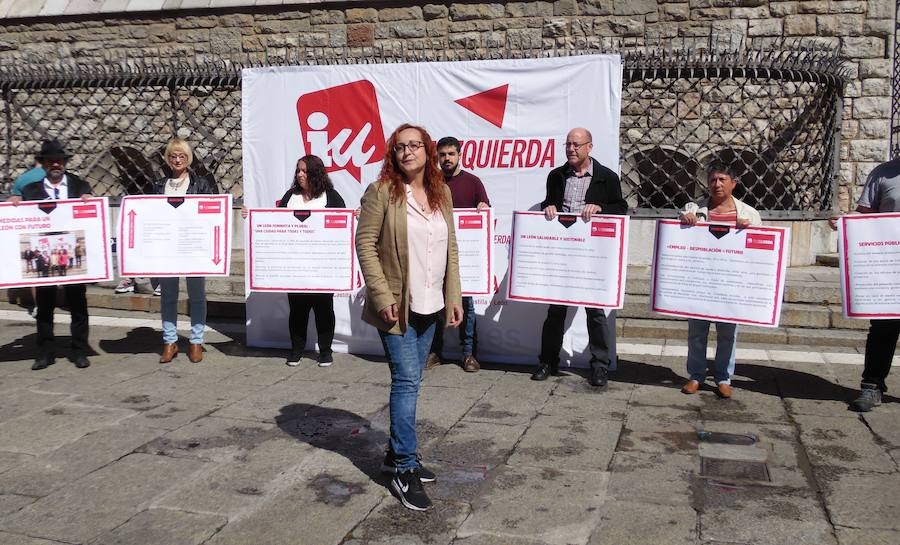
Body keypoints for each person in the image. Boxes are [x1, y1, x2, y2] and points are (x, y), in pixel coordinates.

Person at [356, 123, 463, 511]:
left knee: (414, 380)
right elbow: (365, 245)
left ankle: (393, 454)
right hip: (397, 306)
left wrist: (454, 296)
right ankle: (403, 467)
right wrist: (382, 295)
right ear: (393, 154)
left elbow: (450, 246)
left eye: (415, 145)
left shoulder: (442, 192)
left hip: (431, 304)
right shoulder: (381, 192)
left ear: (428, 151)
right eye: (400, 147)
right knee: (405, 382)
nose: (407, 152)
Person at [532, 127, 628, 388]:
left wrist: (601, 208)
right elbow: (548, 204)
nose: (571, 149)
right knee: (555, 311)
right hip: (562, 255)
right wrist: (547, 207)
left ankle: (599, 366)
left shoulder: (607, 177)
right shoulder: (556, 175)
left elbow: (621, 208)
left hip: (591, 258)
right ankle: (548, 362)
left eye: (576, 145)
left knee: (595, 313)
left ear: (589, 147)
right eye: (567, 145)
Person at [678, 165, 761, 399]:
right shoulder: (695, 208)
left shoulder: (749, 213)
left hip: (730, 284)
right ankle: (695, 375)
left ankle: (724, 378)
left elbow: (760, 251)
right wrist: (685, 220)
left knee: (727, 334)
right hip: (701, 281)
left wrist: (750, 231)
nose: (717, 184)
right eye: (713, 179)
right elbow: (679, 233)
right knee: (696, 332)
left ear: (734, 183)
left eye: (722, 179)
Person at [14, 139, 93, 371]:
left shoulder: (80, 186)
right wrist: (14, 204)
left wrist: (90, 200)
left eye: (59, 160)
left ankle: (79, 350)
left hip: (72, 251)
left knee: (78, 303)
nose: (56, 164)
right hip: (43, 254)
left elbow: (92, 213)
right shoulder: (30, 191)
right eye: (51, 161)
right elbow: (20, 221)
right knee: (45, 304)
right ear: (44, 163)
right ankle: (45, 352)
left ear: (65, 163)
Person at [830, 158, 900, 411]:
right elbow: (864, 215)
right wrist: (845, 221)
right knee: (883, 328)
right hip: (889, 269)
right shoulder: (884, 173)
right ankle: (872, 387)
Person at [426, 136, 491, 373]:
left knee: (467, 304)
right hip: (434, 252)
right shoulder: (429, 182)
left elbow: (485, 212)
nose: (446, 159)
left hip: (465, 256)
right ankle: (435, 352)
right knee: (433, 303)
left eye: (451, 154)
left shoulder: (473, 182)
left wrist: (483, 207)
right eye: (442, 155)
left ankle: (469, 354)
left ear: (460, 155)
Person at [276, 155, 346, 366]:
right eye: (298, 170)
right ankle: (296, 350)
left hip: (322, 266)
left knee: (324, 308)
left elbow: (341, 227)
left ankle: (325, 351)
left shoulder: (331, 197)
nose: (299, 174)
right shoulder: (290, 196)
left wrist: (354, 216)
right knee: (297, 309)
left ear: (316, 173)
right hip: (295, 265)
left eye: (304, 171)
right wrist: (250, 216)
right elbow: (276, 222)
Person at [156, 138, 218, 364]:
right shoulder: (159, 185)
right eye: (173, 156)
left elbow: (211, 213)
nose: (177, 160)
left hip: (193, 247)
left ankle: (196, 341)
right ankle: (170, 342)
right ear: (168, 159)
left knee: (197, 296)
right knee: (168, 297)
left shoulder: (200, 183)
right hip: (169, 248)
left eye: (182, 156)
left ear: (188, 158)